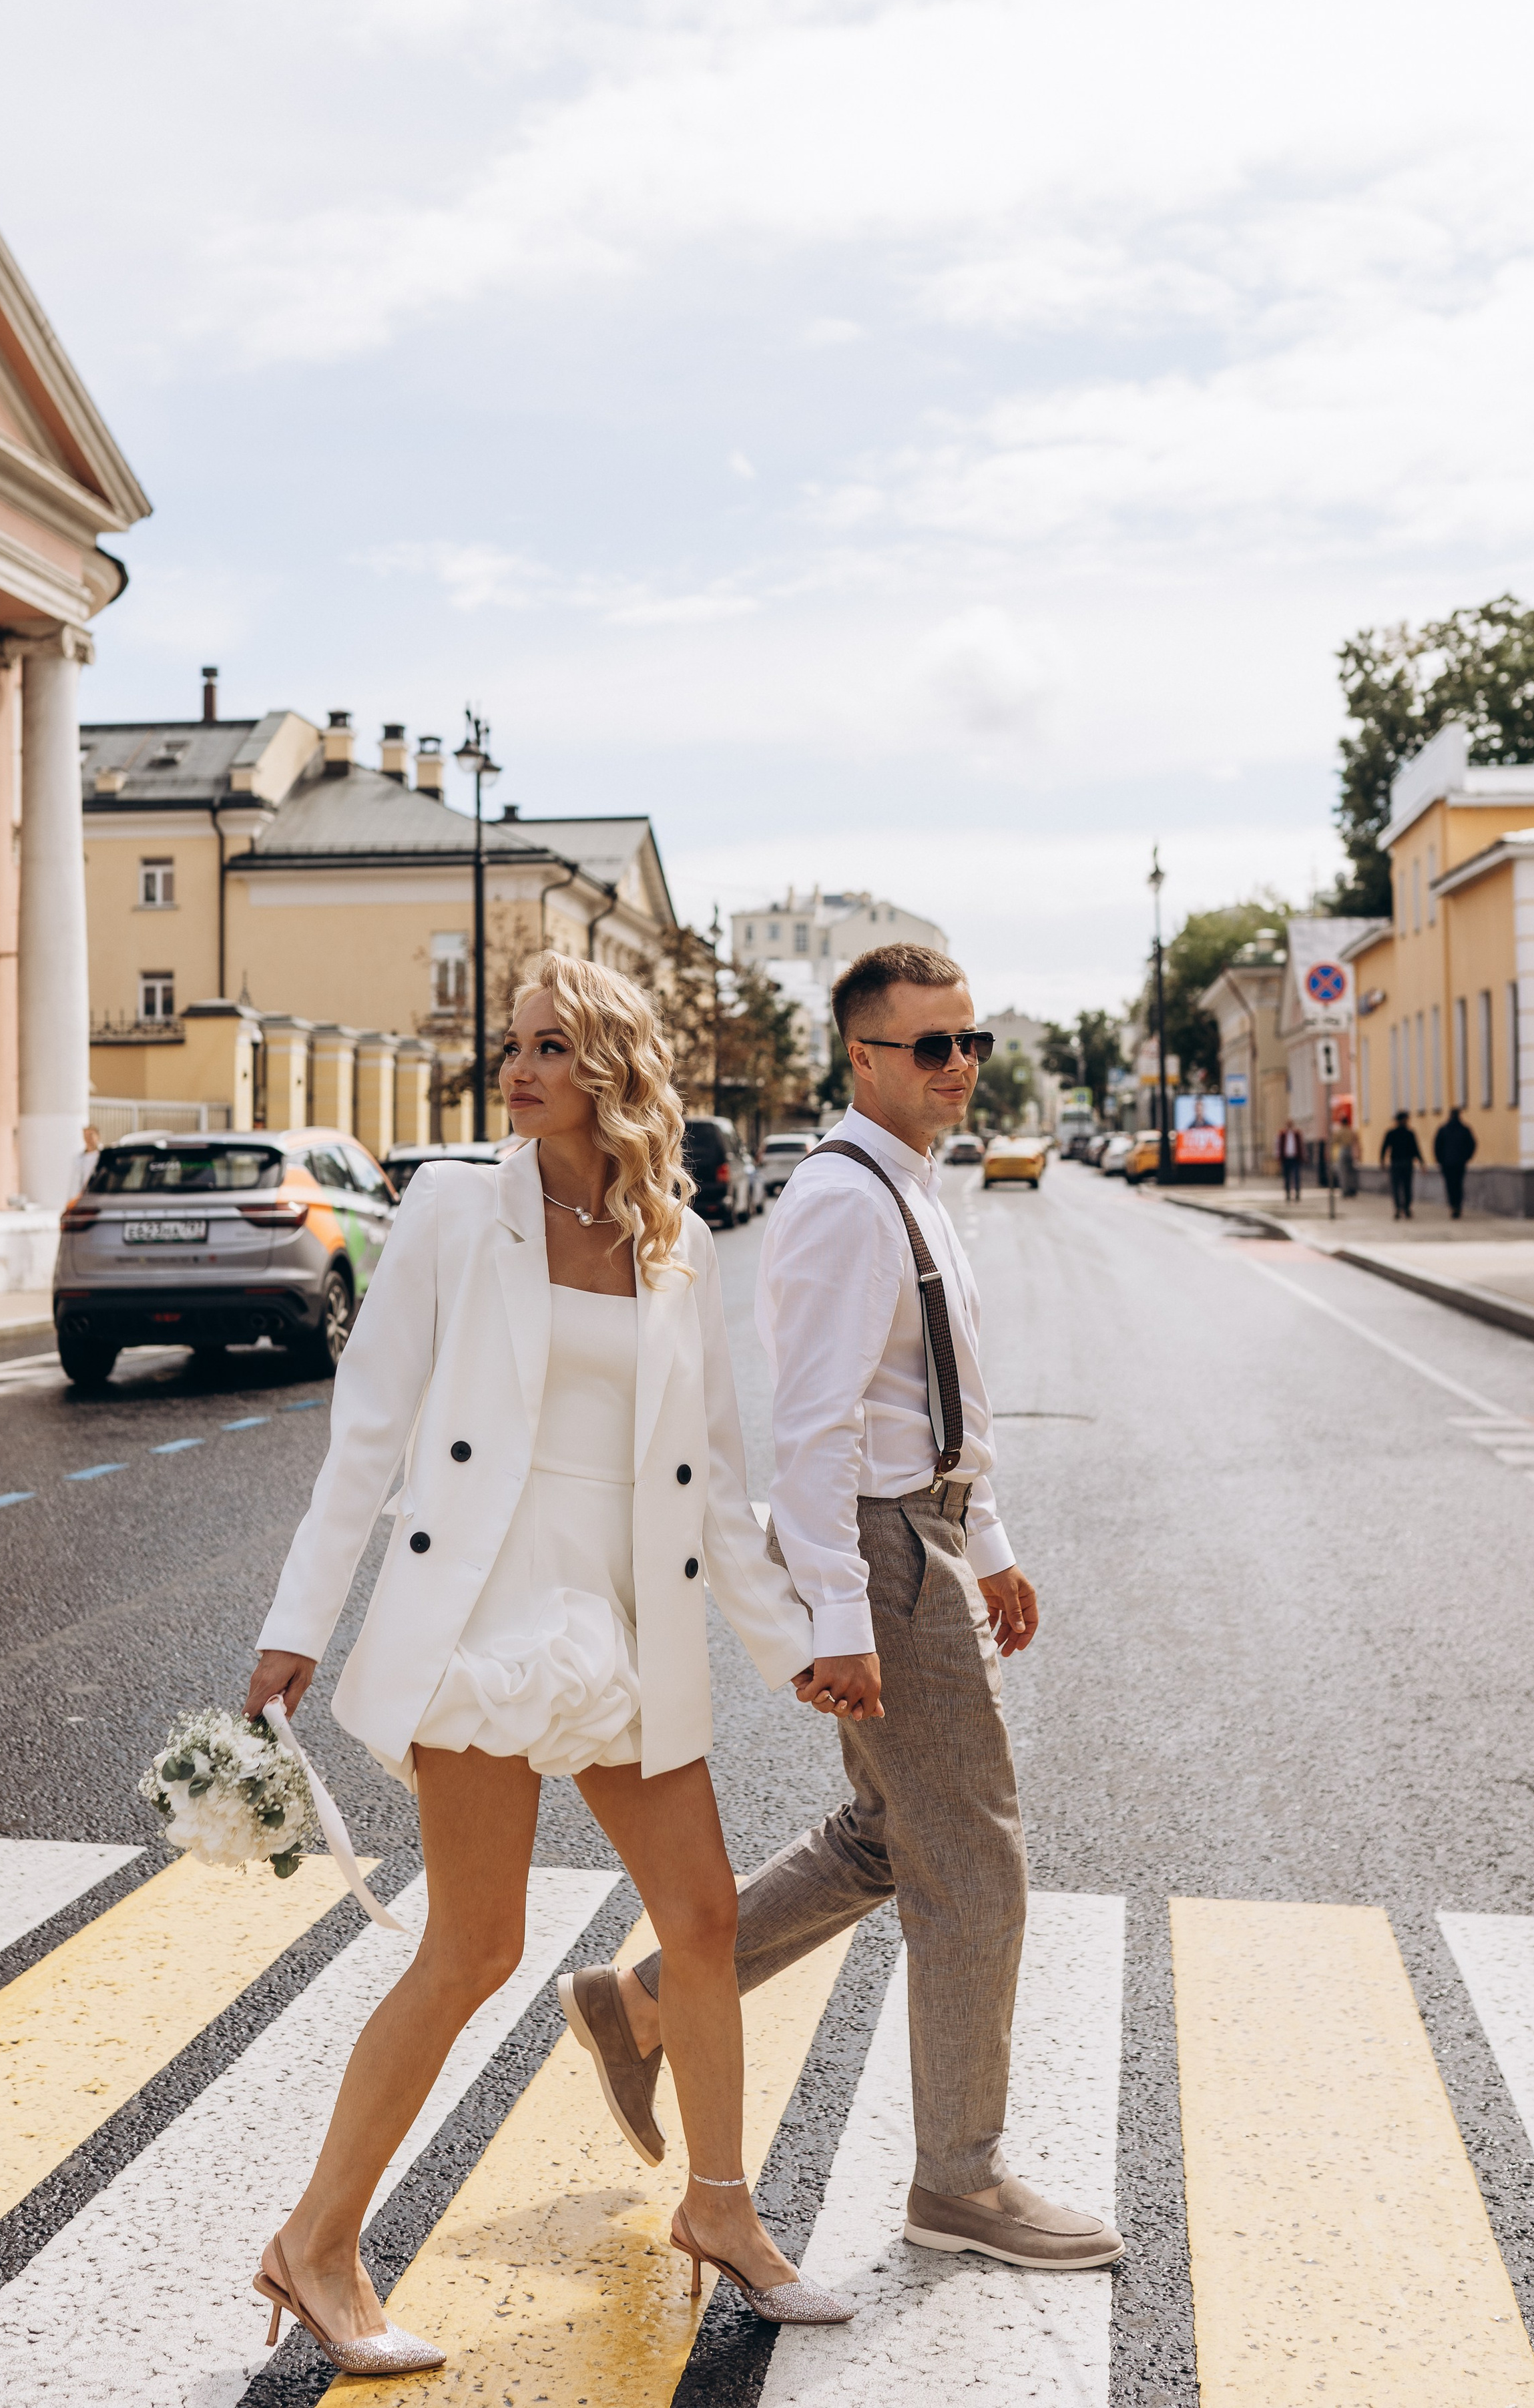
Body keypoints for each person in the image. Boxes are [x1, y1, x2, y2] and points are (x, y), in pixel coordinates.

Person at [243, 953, 852, 2377]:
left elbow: (713, 1484)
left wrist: (796, 1650)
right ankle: (316, 2244)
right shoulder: (455, 1210)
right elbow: (368, 1431)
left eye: (551, 1049)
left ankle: (719, 2210)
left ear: (613, 1072)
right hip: (479, 1618)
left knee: (701, 1920)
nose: (515, 1070)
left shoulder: (675, 1240)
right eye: (511, 1046)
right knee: (476, 1946)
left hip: (622, 1624)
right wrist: (296, 1620)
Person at [561, 943, 1123, 2274]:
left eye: (970, 1041)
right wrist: (841, 1620)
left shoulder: (907, 1190)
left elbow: (927, 1398)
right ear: (861, 1057)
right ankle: (960, 2183)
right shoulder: (840, 1200)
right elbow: (811, 1430)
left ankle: (633, 2008)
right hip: (876, 1554)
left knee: (892, 1835)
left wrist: (984, 1541)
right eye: (930, 1046)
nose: (959, 1067)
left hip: (917, 1536)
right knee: (970, 1861)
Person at [1434, 1107, 1476, 1220]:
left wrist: (1440, 1160)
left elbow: (1437, 1146)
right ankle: (1457, 1206)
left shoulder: (1443, 1129)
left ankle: (1453, 1206)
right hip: (1460, 1163)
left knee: (1450, 1185)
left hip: (1447, 1163)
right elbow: (1472, 1144)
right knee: (1458, 1184)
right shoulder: (1464, 1129)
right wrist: (1467, 1157)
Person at [1380, 1109, 1422, 1220]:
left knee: (1404, 1186)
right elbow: (1384, 1148)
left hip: (1404, 1162)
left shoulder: (1408, 1133)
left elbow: (1416, 1149)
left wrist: (1422, 1162)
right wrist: (1382, 1161)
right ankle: (1400, 1208)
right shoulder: (1397, 1133)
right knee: (1400, 1186)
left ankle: (1405, 1207)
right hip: (1398, 1163)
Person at [67, 1123, 101, 1197]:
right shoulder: (78, 1158)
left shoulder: (104, 1156)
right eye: (86, 1136)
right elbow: (75, 1183)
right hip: (83, 1196)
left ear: (97, 1136)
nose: (88, 1139)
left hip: (98, 1195)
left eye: (91, 1135)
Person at [1275, 1118, 1304, 1202]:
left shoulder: (1297, 1134)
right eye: (1288, 1124)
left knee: (1297, 1177)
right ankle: (1288, 1194)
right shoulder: (1282, 1134)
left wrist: (1302, 1156)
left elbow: (1301, 1146)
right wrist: (1279, 1157)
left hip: (1295, 1158)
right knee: (1287, 1177)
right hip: (1286, 1158)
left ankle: (1297, 1193)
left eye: (1291, 1123)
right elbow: (1278, 1146)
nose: (1290, 1125)